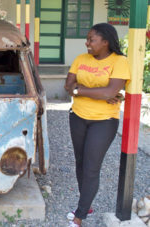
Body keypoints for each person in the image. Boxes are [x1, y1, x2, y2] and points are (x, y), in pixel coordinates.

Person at [64, 23, 131, 227]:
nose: (87, 43)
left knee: (91, 167)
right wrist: (99, 93)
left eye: (91, 39)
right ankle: (87, 204)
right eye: (87, 39)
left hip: (104, 121)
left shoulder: (119, 62)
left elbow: (110, 93)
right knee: (80, 163)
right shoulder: (80, 59)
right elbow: (68, 86)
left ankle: (79, 217)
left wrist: (80, 90)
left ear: (105, 42)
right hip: (77, 116)